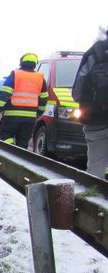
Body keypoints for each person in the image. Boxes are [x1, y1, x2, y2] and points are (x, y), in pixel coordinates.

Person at [72, 27, 108, 179]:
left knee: (95, 169)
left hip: (95, 120)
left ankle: (92, 200)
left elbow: (77, 92)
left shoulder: (93, 53)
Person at [0, 53, 48, 148]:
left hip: (11, 116)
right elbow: (44, 98)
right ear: (35, 64)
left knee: (6, 135)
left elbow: (5, 92)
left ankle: (9, 151)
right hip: (30, 118)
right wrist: (39, 112)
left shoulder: (16, 74)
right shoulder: (40, 78)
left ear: (21, 62)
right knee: (23, 142)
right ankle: (19, 159)